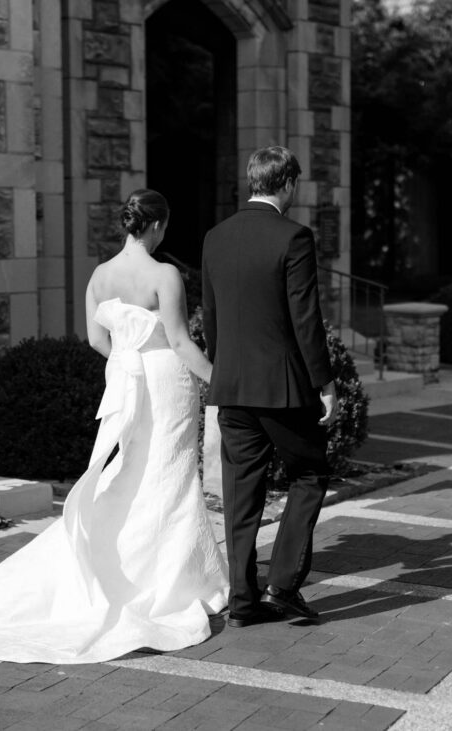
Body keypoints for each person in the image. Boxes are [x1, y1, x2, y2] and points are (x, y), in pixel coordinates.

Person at [0, 189, 229, 663]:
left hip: (126, 379)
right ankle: (170, 577)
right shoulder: (165, 274)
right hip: (167, 381)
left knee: (135, 470)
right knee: (169, 474)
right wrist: (223, 383)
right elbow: (182, 343)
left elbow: (95, 339)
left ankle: (136, 564)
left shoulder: (99, 277)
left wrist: (127, 360)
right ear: (156, 226)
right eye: (165, 227)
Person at [202, 145, 337, 628]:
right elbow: (306, 319)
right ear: (287, 183)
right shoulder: (294, 237)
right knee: (310, 474)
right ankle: (282, 585)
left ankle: (243, 602)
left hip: (231, 386)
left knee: (241, 496)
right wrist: (325, 382)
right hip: (281, 390)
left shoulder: (215, 237)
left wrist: (224, 368)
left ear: (253, 181)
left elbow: (211, 318)